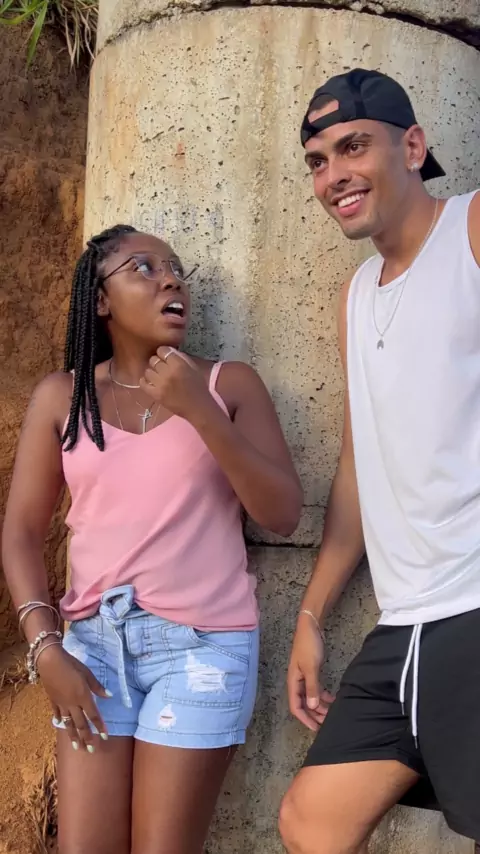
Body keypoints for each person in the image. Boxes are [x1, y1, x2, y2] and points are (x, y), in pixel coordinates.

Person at [2, 224, 303, 854]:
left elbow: (282, 514)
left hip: (201, 649)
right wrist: (46, 649)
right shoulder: (63, 398)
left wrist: (199, 410)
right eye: (143, 267)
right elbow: (23, 534)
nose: (170, 280)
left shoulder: (227, 386)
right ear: (100, 299)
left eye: (175, 269)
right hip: (91, 651)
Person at [279, 68, 480, 853]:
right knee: (312, 823)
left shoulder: (470, 231)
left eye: (353, 147)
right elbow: (360, 466)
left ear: (414, 147)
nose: (333, 175)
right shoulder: (357, 295)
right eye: (318, 160)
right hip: (403, 625)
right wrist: (310, 616)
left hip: (473, 604)